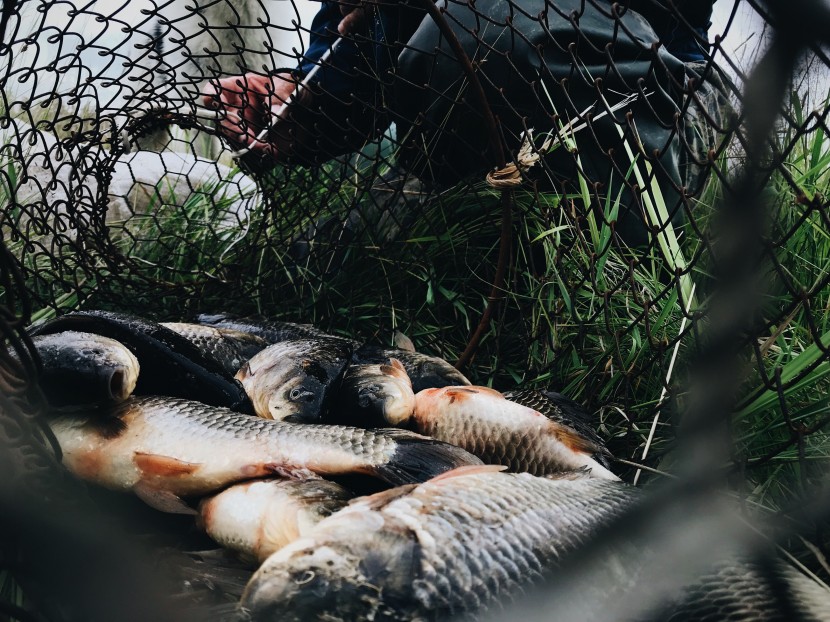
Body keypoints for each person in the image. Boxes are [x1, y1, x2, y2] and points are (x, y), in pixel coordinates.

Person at [202, 0, 731, 246]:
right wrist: (307, 102)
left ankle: (603, 235)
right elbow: (358, 51)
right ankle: (463, 213)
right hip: (478, 151)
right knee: (316, 256)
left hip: (657, 102)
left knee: (483, 25)